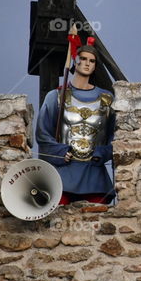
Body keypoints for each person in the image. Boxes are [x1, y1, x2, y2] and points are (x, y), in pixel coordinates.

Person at [35, 42, 116, 204]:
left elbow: (115, 135)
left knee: (97, 223)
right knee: (59, 222)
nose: (87, 63)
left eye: (92, 61)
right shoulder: (56, 96)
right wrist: (58, 151)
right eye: (83, 59)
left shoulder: (107, 99)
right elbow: (43, 133)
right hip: (63, 174)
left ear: (95, 66)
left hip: (95, 175)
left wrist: (103, 152)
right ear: (74, 61)